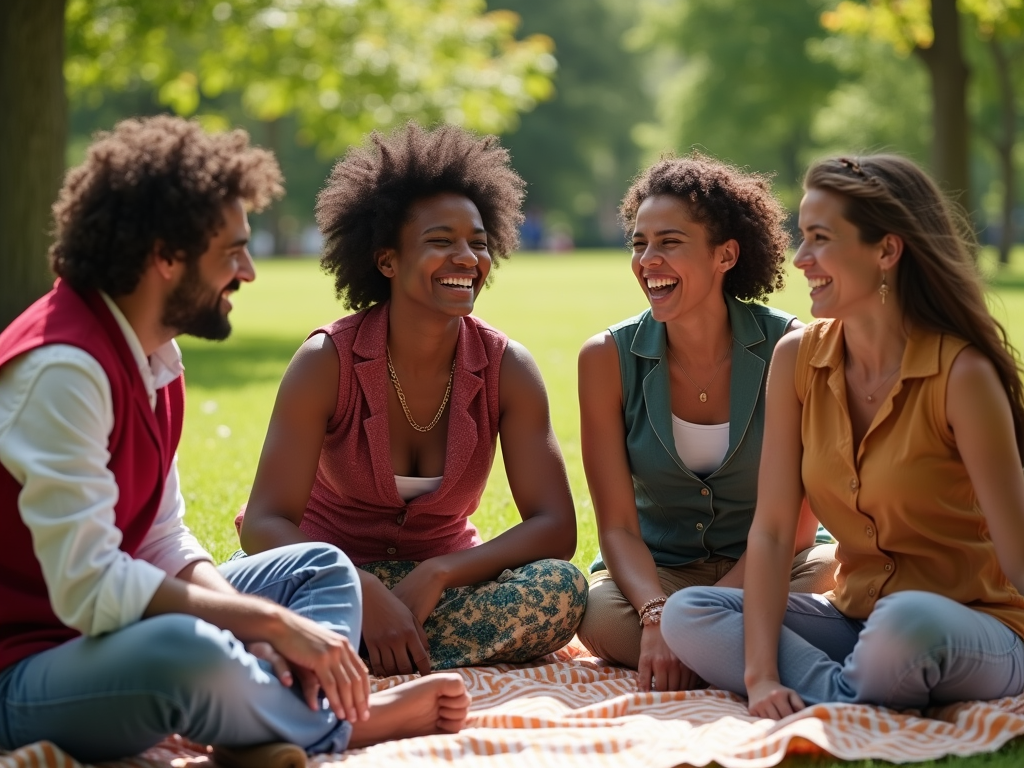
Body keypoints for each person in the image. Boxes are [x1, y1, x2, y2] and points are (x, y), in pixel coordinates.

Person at [0, 116, 470, 767]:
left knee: (325, 567)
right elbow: (88, 587)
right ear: (165, 256)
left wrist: (247, 621)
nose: (248, 270)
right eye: (232, 250)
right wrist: (261, 624)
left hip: (110, 632)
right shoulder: (63, 367)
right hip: (26, 669)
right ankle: (340, 725)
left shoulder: (155, 356)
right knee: (188, 652)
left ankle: (266, 724)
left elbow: (161, 538)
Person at [662, 154, 1024, 716]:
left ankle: (843, 693)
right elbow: (775, 531)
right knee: (689, 613)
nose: (801, 259)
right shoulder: (798, 357)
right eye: (801, 237)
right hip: (858, 618)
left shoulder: (962, 374)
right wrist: (759, 676)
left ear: (886, 250)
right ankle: (856, 692)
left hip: (975, 626)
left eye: (820, 238)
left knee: (906, 622)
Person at [238, 122, 586, 677]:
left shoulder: (507, 368)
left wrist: (442, 572)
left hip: (442, 587)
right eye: (440, 241)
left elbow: (554, 527)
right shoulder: (327, 362)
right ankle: (363, 644)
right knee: (247, 586)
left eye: (477, 241)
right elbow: (263, 524)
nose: (467, 257)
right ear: (387, 261)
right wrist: (358, 586)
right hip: (324, 577)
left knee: (560, 591)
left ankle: (336, 655)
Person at [575, 154, 837, 692]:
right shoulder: (605, 358)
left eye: (669, 242)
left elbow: (799, 528)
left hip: (774, 565)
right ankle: (747, 653)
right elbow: (619, 528)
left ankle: (698, 654)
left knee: (834, 571)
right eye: (639, 243)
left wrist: (691, 620)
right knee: (597, 612)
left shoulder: (791, 348)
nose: (648, 259)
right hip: (660, 574)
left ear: (726, 255)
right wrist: (655, 614)